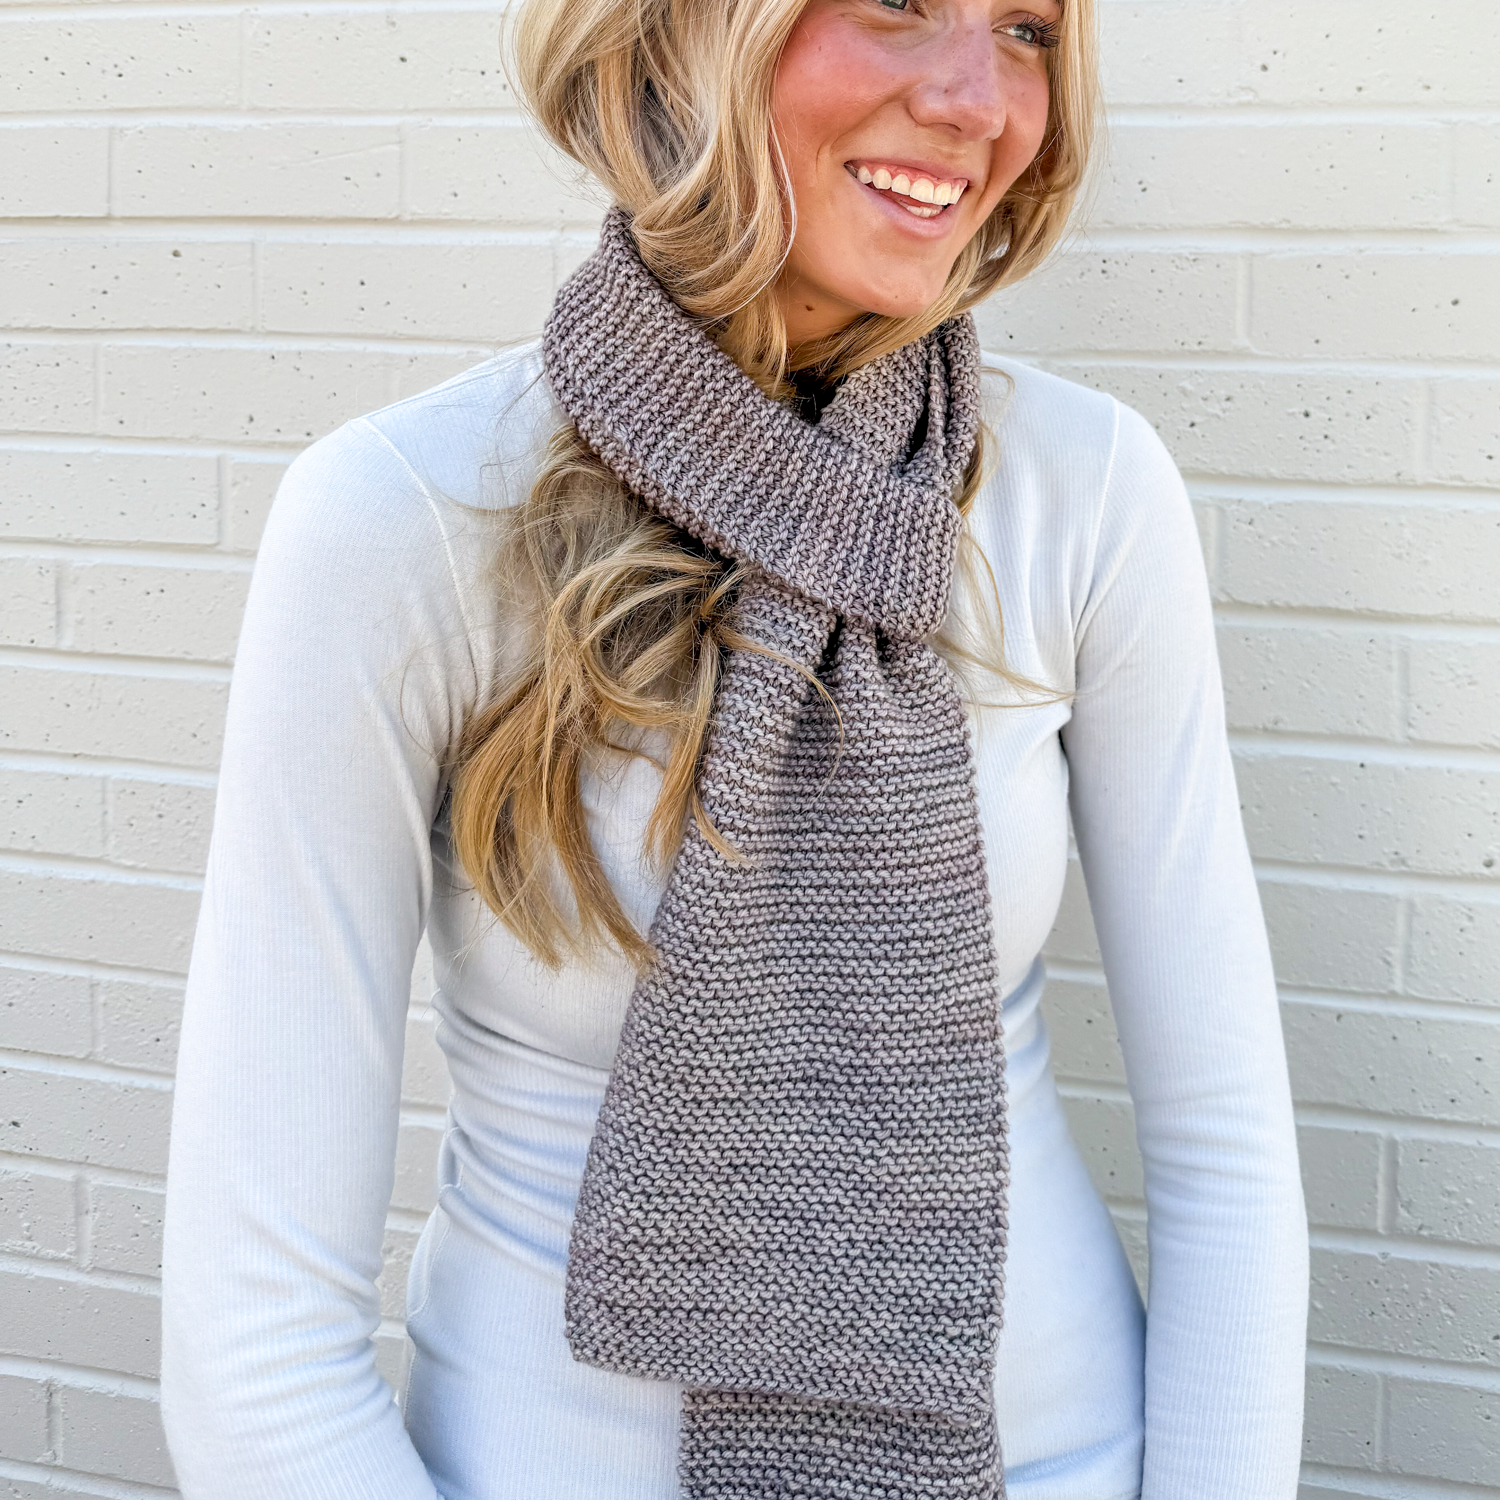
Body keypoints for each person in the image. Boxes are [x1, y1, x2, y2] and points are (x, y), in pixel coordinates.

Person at [160, 0, 1311, 1495]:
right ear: (690, 31)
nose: (979, 101)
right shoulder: (411, 521)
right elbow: (252, 1325)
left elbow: (1227, 1149)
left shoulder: (1082, 493)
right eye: (901, 2)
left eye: (1028, 27)